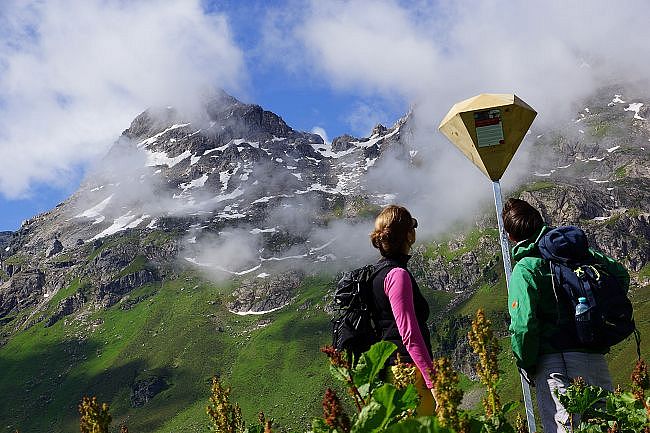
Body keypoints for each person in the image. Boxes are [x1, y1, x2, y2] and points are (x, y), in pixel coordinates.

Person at [502, 198, 629, 432]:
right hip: (595, 358)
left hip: (557, 364)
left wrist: (527, 363)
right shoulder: (575, 255)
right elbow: (620, 274)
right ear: (540, 223)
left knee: (566, 427)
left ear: (510, 236)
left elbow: (523, 325)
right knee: (606, 426)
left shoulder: (526, 267)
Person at [369, 204, 436, 415]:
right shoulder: (398, 275)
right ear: (408, 235)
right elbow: (410, 334)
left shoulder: (375, 275)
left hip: (390, 373)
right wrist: (433, 382)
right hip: (409, 372)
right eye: (413, 226)